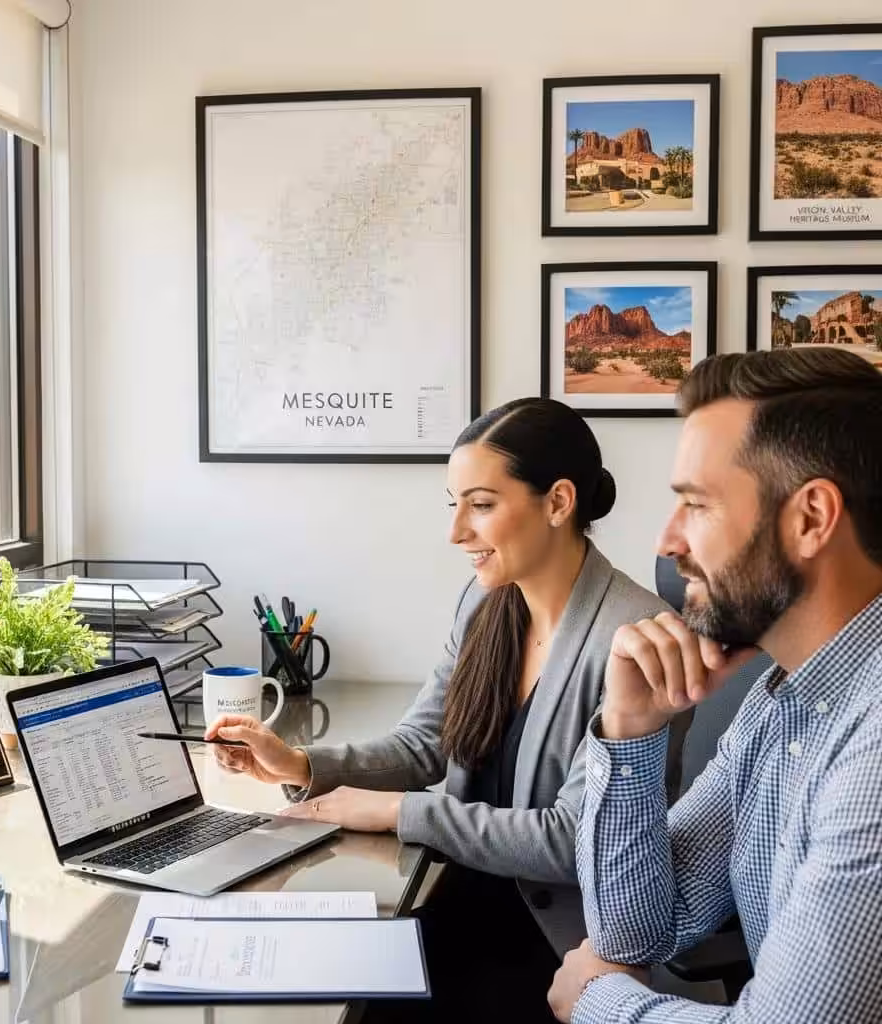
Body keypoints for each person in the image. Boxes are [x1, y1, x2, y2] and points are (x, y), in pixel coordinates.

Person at [206, 397, 677, 1022]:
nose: (457, 531)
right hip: (454, 894)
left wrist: (400, 811)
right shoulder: (485, 604)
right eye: (454, 504)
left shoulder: (637, 635)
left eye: (481, 505)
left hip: (553, 943)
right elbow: (422, 746)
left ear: (558, 503)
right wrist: (295, 761)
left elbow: (576, 841)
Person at [548, 348, 882, 1024]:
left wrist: (596, 1001)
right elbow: (636, 931)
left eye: (695, 505)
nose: (667, 542)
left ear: (812, 519)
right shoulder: (781, 699)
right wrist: (630, 730)